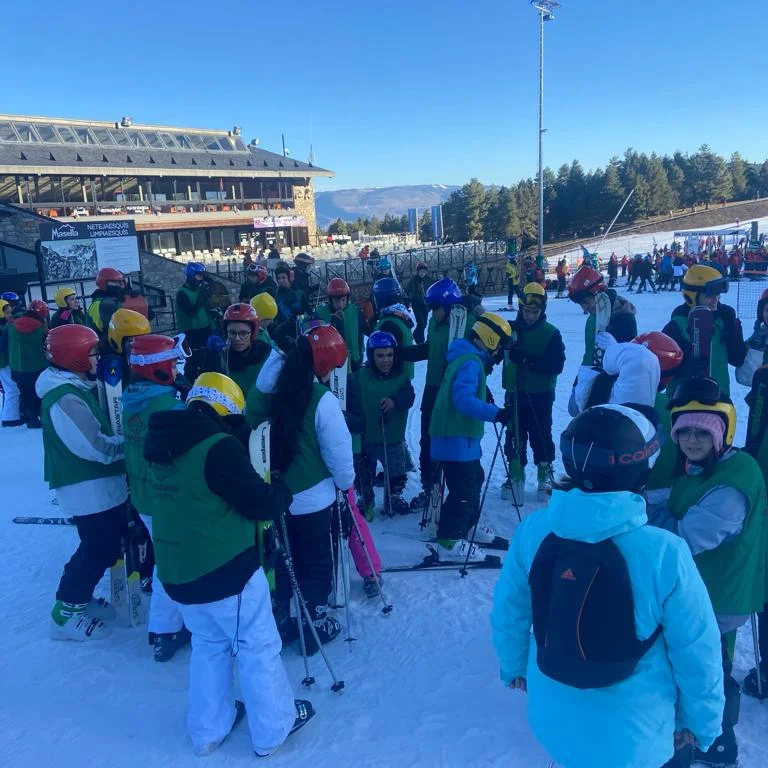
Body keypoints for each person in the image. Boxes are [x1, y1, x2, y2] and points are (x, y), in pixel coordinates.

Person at [491, 403, 725, 768]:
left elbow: (510, 610)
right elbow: (697, 650)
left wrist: (514, 666)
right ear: (641, 466)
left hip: (554, 720)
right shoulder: (663, 552)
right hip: (636, 738)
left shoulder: (534, 530)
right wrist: (701, 723)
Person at [143, 372, 313, 757]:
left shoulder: (162, 442)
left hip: (177, 573)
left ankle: (208, 729)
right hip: (225, 572)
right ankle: (273, 729)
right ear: (223, 413)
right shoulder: (217, 447)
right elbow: (262, 503)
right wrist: (281, 488)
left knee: (209, 643)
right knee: (256, 645)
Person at [647, 378, 768, 767]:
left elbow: (683, 538)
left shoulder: (734, 483)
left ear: (722, 433)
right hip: (705, 587)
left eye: (702, 432)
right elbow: (680, 495)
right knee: (703, 667)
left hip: (717, 594)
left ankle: (715, 743)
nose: (692, 440)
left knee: (703, 672)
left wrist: (643, 516)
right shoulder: (711, 465)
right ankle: (709, 739)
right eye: (684, 432)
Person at [267, 324, 355, 654]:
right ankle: (315, 621)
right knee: (314, 561)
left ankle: (282, 617)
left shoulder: (277, 389)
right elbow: (338, 451)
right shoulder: (322, 399)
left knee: (284, 559)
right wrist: (346, 484)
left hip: (278, 494)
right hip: (313, 496)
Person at [39, 325, 128, 641]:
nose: (97, 358)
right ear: (73, 357)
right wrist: (132, 447)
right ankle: (65, 614)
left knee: (101, 546)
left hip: (98, 485)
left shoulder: (76, 387)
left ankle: (78, 598)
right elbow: (95, 447)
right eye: (92, 352)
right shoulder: (63, 397)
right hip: (87, 487)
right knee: (97, 549)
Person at [121, 333, 190, 661]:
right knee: (170, 562)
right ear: (158, 368)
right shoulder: (167, 408)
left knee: (168, 558)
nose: (176, 370)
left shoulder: (131, 400)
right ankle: (165, 629)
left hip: (143, 497)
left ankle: (171, 622)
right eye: (172, 364)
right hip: (164, 500)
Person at [429, 312, 513, 561]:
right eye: (499, 345)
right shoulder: (470, 362)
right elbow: (463, 400)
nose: (499, 352)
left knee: (475, 479)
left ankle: (467, 527)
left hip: (460, 440)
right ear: (490, 339)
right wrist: (496, 413)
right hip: (454, 438)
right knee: (463, 491)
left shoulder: (466, 357)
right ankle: (449, 541)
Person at [397, 277, 463, 512]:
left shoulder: (462, 326)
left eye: (437, 308)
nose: (433, 313)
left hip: (450, 393)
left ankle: (456, 489)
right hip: (432, 389)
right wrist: (401, 353)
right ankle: (429, 487)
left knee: (448, 441)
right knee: (427, 439)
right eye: (432, 308)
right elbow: (429, 349)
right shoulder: (435, 324)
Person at [501, 283, 565, 501]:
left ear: (542, 311)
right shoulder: (511, 331)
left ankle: (544, 474)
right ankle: (516, 474)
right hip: (514, 390)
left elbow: (556, 365)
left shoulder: (551, 333)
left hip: (541, 393)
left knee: (541, 433)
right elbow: (493, 350)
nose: (530, 316)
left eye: (535, 312)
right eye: (527, 311)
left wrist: (527, 359)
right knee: (514, 433)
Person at [662, 264, 746, 397]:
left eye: (718, 295)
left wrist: (733, 327)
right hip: (684, 400)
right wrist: (685, 368)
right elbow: (663, 372)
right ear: (691, 296)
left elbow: (737, 359)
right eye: (709, 296)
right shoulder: (676, 327)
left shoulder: (722, 320)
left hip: (719, 398)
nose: (715, 300)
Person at [358, 331, 416, 516]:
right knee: (364, 472)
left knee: (396, 471)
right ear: (371, 356)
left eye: (390, 355)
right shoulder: (361, 376)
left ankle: (393, 497)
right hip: (367, 436)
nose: (386, 360)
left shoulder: (401, 377)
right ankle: (365, 499)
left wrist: (395, 400)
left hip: (392, 436)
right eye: (380, 356)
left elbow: (409, 397)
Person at [568, 265, 637, 366]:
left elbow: (630, 360)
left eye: (586, 302)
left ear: (599, 294)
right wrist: (584, 372)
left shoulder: (625, 318)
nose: (584, 309)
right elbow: (589, 354)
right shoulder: (593, 317)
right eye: (581, 304)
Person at [206, 303, 272, 395]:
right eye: (232, 332)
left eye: (243, 333)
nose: (237, 338)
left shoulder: (267, 354)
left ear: (252, 333)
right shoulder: (222, 357)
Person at [8, 298, 49, 428]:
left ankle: (31, 419)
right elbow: (47, 346)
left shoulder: (12, 325)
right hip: (37, 367)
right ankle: (42, 416)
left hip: (17, 367)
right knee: (39, 393)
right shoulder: (41, 328)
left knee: (25, 393)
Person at [175, 262, 215, 381]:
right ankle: (189, 385)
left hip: (206, 328)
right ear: (191, 276)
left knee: (209, 359)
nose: (201, 279)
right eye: (199, 276)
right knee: (193, 362)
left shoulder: (200, 290)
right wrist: (201, 297)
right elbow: (191, 312)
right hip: (191, 332)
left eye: (202, 276)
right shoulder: (182, 293)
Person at [314, 278, 365, 371]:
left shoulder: (354, 311)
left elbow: (362, 331)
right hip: (330, 362)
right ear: (330, 300)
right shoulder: (320, 314)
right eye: (337, 301)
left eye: (343, 300)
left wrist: (360, 354)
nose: (340, 305)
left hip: (353, 358)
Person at [0, 298, 22, 426]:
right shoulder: (3, 328)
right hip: (3, 364)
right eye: (7, 313)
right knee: (12, 388)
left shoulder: (4, 326)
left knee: (11, 388)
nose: (10, 315)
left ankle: (13, 416)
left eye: (10, 312)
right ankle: (10, 418)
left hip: (5, 363)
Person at [87, 268, 124, 333]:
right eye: (114, 282)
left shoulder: (114, 300)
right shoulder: (102, 304)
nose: (117, 285)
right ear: (103, 283)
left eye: (118, 282)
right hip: (103, 338)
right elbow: (109, 328)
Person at [273, 261, 309, 327]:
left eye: (283, 277)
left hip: (300, 327)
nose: (281, 280)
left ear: (289, 277)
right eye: (279, 278)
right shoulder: (276, 295)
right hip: (284, 329)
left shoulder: (299, 293)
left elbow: (307, 310)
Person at [405, 262, 429, 343]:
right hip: (416, 304)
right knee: (421, 323)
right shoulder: (413, 281)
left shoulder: (427, 280)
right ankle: (421, 341)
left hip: (425, 304)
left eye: (424, 272)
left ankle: (415, 334)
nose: (423, 273)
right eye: (421, 271)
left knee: (424, 324)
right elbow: (408, 291)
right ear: (418, 272)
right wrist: (409, 300)